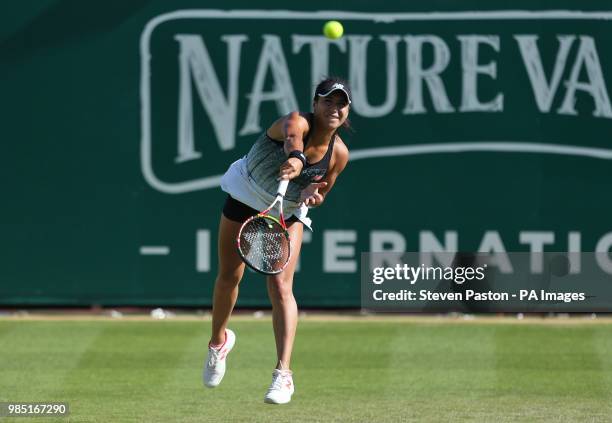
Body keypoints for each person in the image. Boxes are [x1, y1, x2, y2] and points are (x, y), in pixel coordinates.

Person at [203, 77, 352, 405]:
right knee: (229, 276)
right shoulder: (295, 121)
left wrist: (315, 194)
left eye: (341, 103)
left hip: (287, 210)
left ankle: (283, 374)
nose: (334, 108)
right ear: (315, 105)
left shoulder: (339, 154)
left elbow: (322, 190)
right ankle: (218, 343)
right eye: (327, 101)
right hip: (247, 193)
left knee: (281, 287)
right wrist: (297, 158)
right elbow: (292, 140)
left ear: (347, 112)